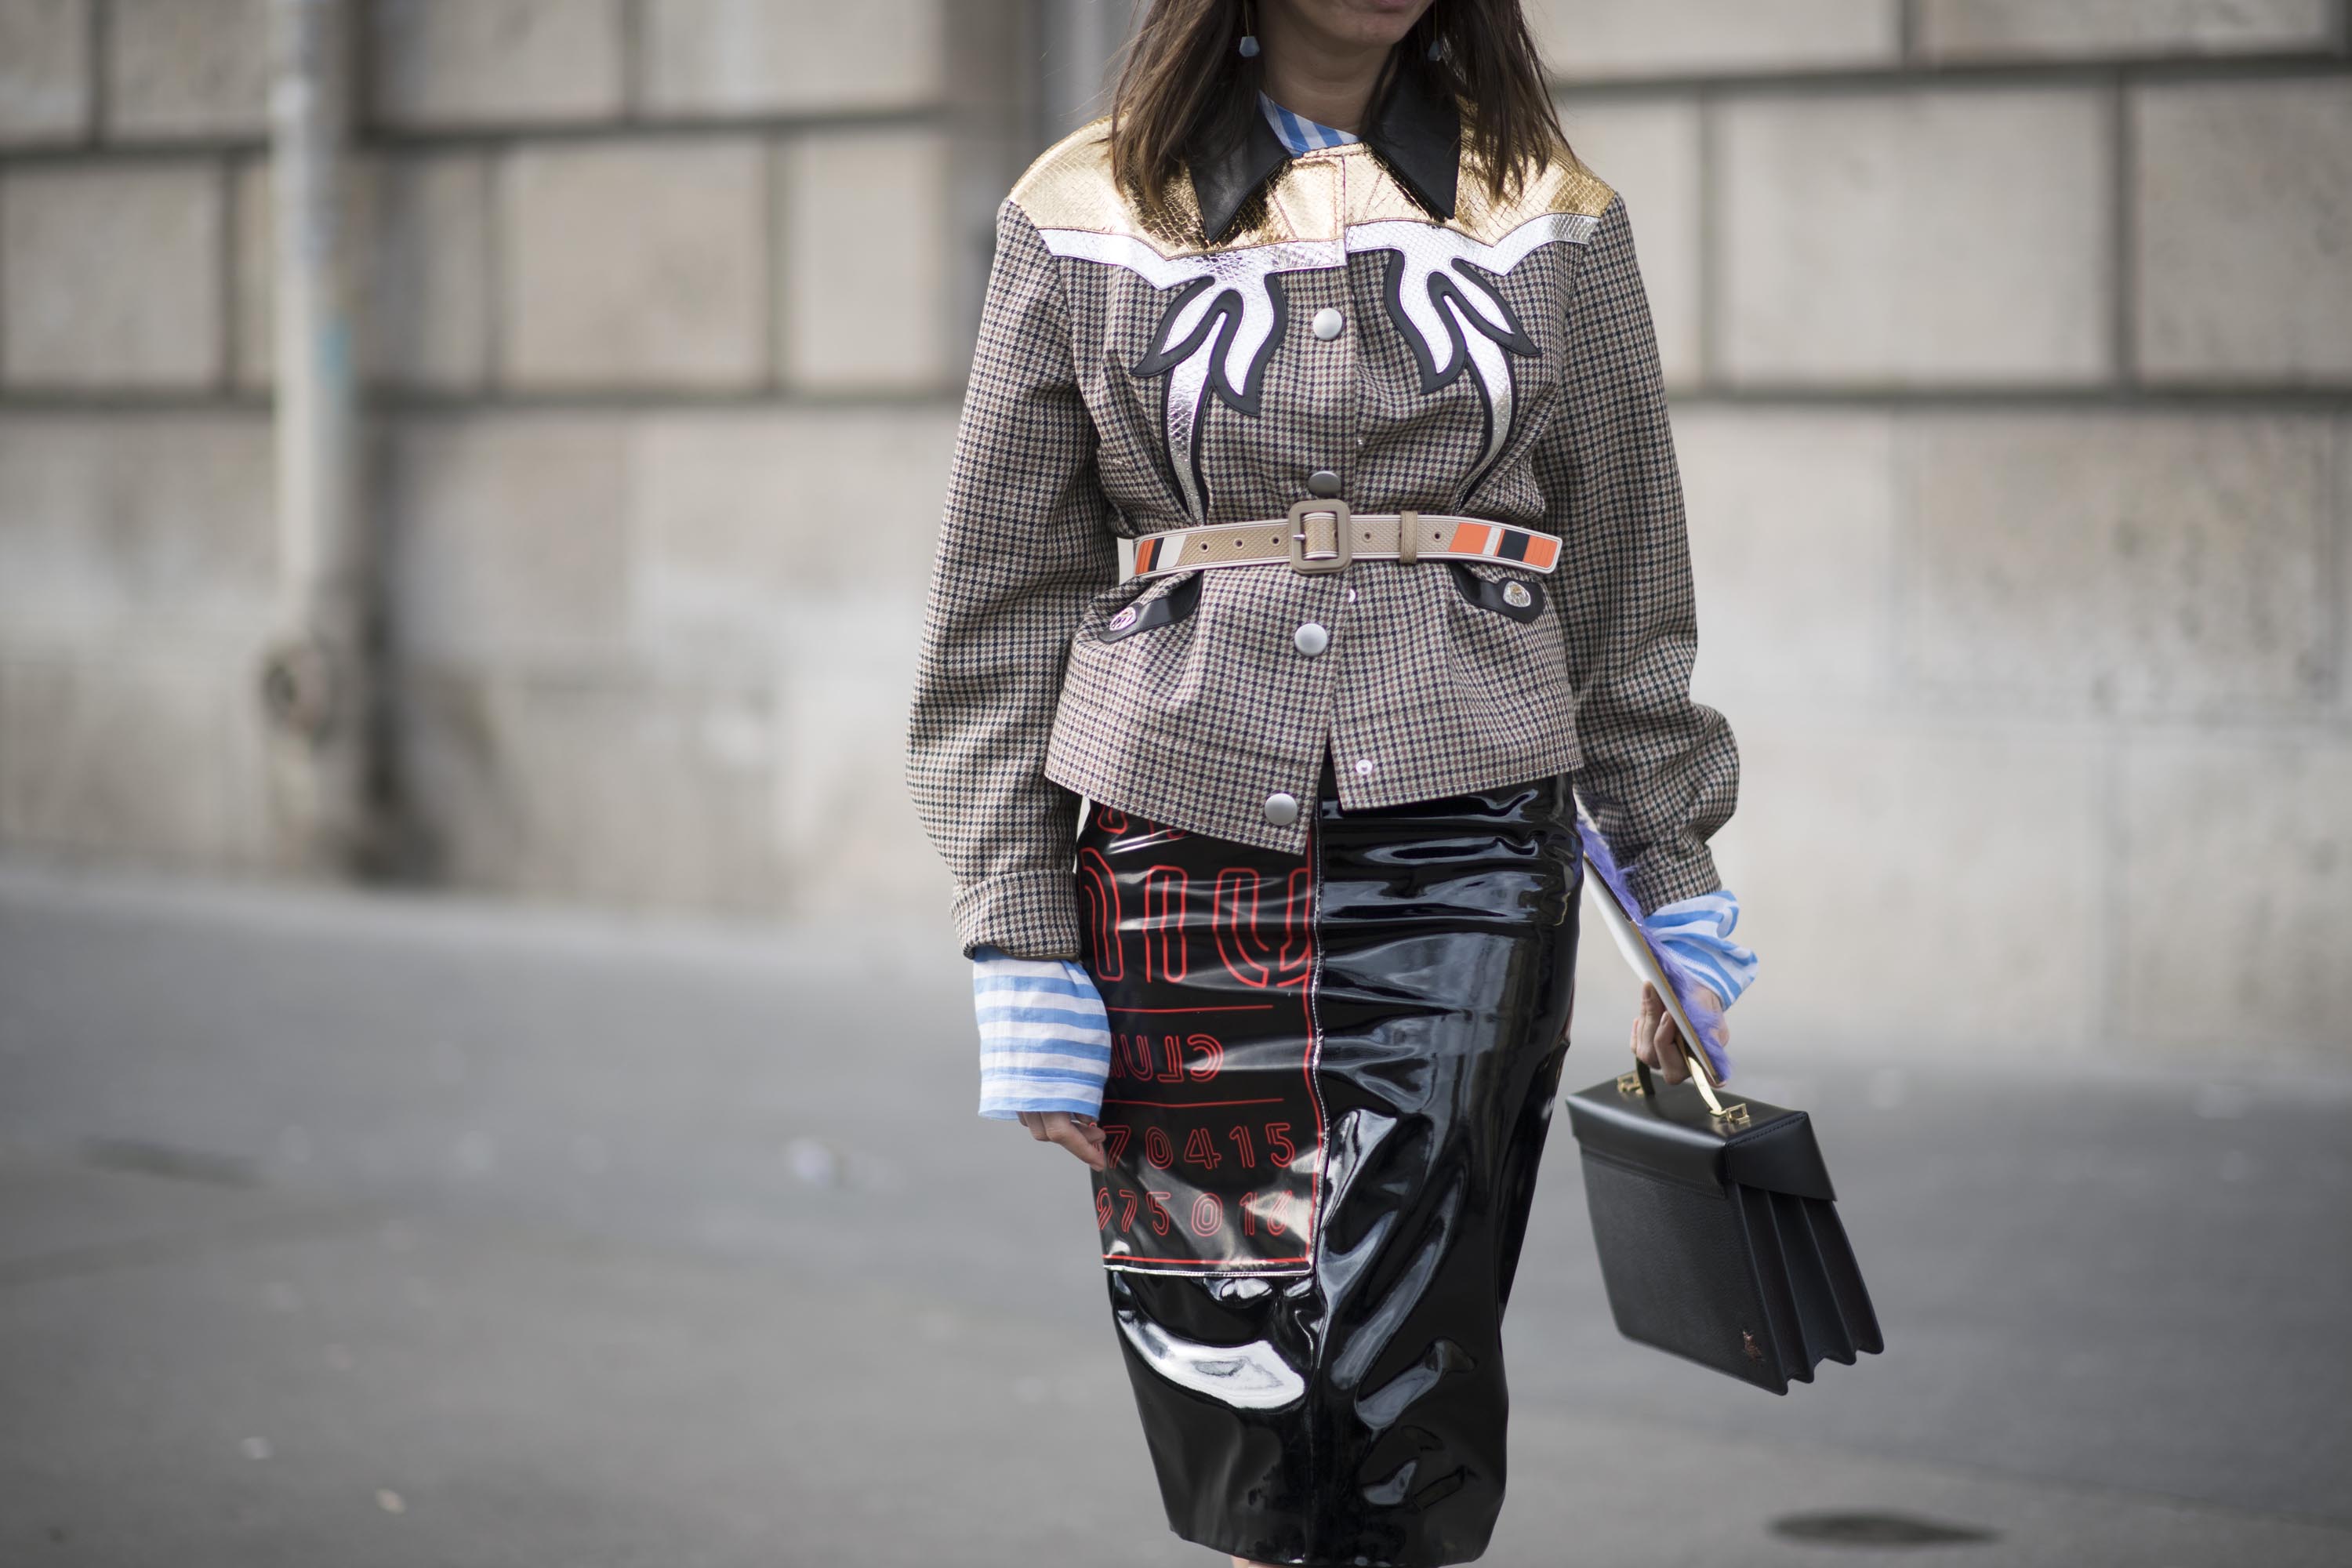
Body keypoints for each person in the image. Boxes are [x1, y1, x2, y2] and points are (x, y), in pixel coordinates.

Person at [906, 2, 1756, 1563]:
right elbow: (1003, 600)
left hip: (1465, 852)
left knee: (1399, 1384)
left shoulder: (1548, 208)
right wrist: (1018, 934)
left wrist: (1676, 882)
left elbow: (1631, 580)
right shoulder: (1081, 210)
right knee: (1226, 1385)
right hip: (1170, 860)